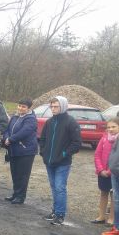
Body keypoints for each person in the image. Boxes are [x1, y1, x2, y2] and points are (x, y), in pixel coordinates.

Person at [39, 96, 81, 225]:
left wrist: (64, 154)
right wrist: (43, 152)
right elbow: (43, 139)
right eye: (51, 106)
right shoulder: (49, 122)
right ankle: (55, 211)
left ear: (62, 106)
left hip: (63, 163)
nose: (53, 109)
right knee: (54, 187)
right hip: (49, 161)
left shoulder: (71, 122)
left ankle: (60, 214)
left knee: (60, 187)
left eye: (56, 106)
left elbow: (77, 143)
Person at [3, 99, 38, 204]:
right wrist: (6, 138)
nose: (20, 108)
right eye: (19, 106)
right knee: (15, 173)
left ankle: (20, 196)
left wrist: (10, 139)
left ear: (29, 108)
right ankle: (15, 194)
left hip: (26, 151)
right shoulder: (14, 117)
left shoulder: (31, 119)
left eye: (23, 106)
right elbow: (7, 130)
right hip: (14, 150)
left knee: (23, 175)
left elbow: (24, 132)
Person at [96, 118, 119, 228]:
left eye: (113, 126)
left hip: (114, 173)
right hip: (102, 172)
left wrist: (109, 171)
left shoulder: (117, 140)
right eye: (109, 127)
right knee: (103, 193)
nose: (110, 129)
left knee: (114, 195)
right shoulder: (104, 138)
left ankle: (111, 218)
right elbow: (97, 155)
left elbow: (116, 160)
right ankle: (101, 216)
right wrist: (100, 170)